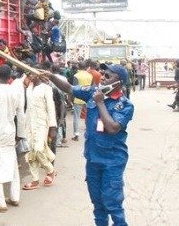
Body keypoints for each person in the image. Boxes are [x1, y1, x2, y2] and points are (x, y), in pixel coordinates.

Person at [43, 64, 134, 226]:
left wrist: (100, 103)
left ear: (118, 82)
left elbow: (112, 128)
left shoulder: (125, 105)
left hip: (112, 161)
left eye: (108, 76)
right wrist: (51, 76)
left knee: (112, 204)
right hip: (93, 159)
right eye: (103, 74)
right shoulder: (92, 92)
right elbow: (70, 88)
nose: (103, 77)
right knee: (98, 204)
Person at [0, 65, 26, 213]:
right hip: (11, 132)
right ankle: (14, 197)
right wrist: (20, 134)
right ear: (10, 77)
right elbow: (21, 115)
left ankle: (0, 202)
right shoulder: (16, 92)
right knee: (13, 165)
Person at [22, 70, 57, 190]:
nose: (29, 76)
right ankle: (35, 180)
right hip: (29, 124)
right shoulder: (28, 88)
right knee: (31, 152)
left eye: (31, 74)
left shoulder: (46, 88)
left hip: (42, 123)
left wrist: (53, 127)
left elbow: (51, 108)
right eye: (28, 74)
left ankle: (50, 170)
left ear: (38, 74)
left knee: (38, 149)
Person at [71, 61, 93, 141]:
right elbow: (91, 87)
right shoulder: (90, 75)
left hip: (78, 98)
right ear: (85, 67)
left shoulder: (76, 75)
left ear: (78, 67)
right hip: (88, 98)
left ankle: (76, 134)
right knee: (89, 115)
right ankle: (89, 132)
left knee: (76, 117)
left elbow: (74, 88)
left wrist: (71, 99)